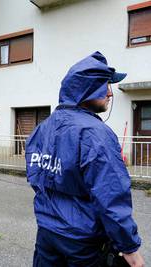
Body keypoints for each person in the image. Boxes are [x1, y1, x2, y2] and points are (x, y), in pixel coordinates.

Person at [25, 51, 144, 267]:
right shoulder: (95, 134)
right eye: (105, 85)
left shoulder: (42, 128)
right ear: (87, 89)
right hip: (83, 243)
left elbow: (37, 179)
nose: (110, 93)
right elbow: (111, 196)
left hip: (47, 235)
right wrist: (130, 248)